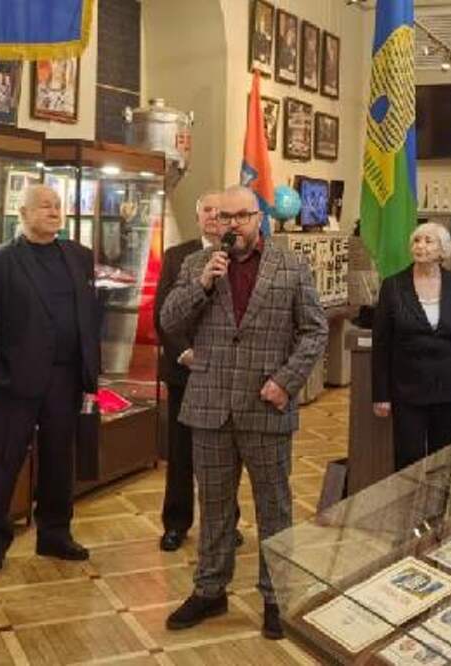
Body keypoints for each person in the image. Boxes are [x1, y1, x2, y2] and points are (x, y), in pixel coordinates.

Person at [160, 185, 327, 639]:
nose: (232, 224)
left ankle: (276, 595)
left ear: (259, 218)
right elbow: (170, 321)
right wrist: (202, 285)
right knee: (214, 506)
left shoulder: (290, 265)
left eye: (241, 215)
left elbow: (314, 331)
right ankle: (210, 589)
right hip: (210, 406)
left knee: (274, 506)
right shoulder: (197, 265)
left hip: (265, 406)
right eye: (224, 216)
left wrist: (286, 382)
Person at [0, 184, 100, 575]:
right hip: (14, 381)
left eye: (58, 205)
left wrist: (90, 368)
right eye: (45, 206)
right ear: (23, 212)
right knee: (2, 463)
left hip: (66, 378)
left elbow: (88, 314)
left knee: (59, 460)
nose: (54, 211)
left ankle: (55, 534)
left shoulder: (79, 255)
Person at [372, 222, 451, 471]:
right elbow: (381, 344)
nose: (420, 246)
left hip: (449, 390)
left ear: (443, 249)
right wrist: (381, 394)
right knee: (409, 458)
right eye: (417, 241)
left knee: (444, 459)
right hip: (408, 390)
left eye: (429, 241)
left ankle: (439, 498)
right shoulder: (393, 286)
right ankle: (410, 498)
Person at [153, 190, 220, 552]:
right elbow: (162, 314)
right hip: (184, 370)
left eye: (219, 211)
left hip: (224, 374)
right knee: (181, 453)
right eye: (206, 210)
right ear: (198, 217)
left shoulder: (241, 256)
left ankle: (224, 523)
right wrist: (183, 353)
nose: (213, 216)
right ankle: (176, 524)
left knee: (222, 454)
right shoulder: (177, 256)